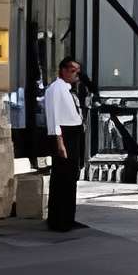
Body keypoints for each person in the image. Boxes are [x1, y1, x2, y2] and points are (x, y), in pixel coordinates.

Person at [43, 57, 86, 231]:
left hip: (73, 133)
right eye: (73, 70)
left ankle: (69, 217)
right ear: (63, 70)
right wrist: (59, 141)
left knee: (71, 178)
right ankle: (59, 219)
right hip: (64, 136)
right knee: (62, 178)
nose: (76, 74)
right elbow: (54, 117)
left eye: (77, 71)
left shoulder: (68, 90)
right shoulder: (55, 89)